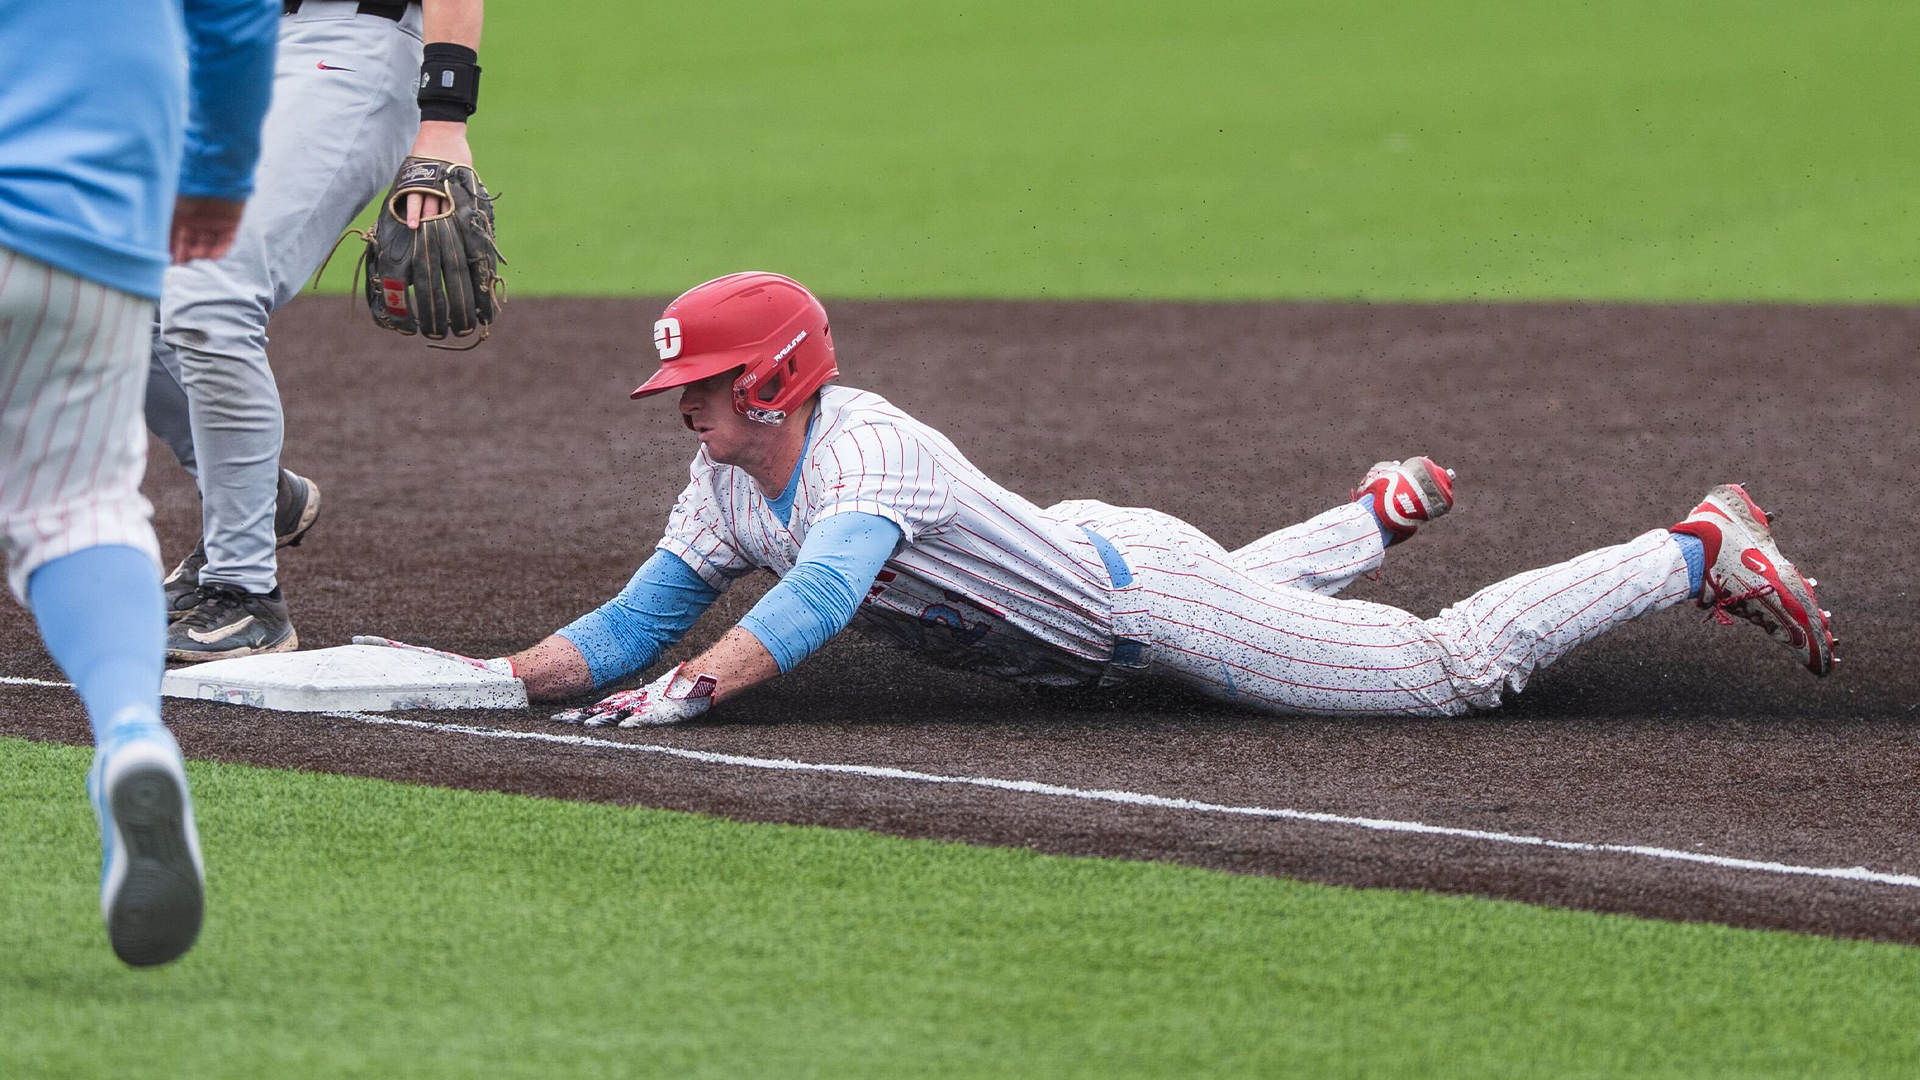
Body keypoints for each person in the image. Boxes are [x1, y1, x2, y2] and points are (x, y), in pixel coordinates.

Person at [361, 271, 1836, 727]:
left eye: (706, 382)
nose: (680, 402)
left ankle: (1689, 549)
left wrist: (698, 694)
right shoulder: (722, 483)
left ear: (777, 383)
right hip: (1099, 556)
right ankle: (1361, 521)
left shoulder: (864, 452)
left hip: (1149, 603)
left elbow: (817, 597)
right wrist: (502, 680)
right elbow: (634, 620)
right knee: (1229, 590)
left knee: (1451, 675)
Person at [0, 0, 279, 964]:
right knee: (77, 508)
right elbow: (238, 17)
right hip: (96, 217)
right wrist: (218, 175)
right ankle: (130, 733)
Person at [149, 0, 489, 662]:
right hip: (205, 46)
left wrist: (444, 115)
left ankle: (245, 591)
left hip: (341, 47)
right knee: (100, 295)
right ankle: (258, 497)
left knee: (212, 293)